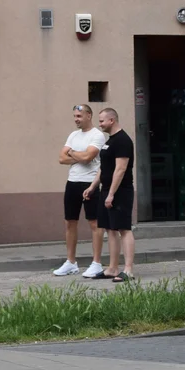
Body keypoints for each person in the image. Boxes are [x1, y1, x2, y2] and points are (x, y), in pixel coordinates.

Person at [83, 108, 136, 283]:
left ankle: (128, 270)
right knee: (110, 229)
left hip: (120, 191)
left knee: (123, 229)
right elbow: (103, 168)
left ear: (112, 120)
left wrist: (112, 194)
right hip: (106, 190)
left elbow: (120, 169)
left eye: (102, 121)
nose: (100, 124)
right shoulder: (109, 141)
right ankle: (113, 268)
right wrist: (92, 187)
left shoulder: (122, 141)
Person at [55, 104, 107, 278]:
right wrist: (78, 155)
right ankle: (71, 262)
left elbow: (88, 157)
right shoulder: (73, 135)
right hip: (72, 183)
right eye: (75, 116)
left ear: (89, 115)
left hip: (89, 183)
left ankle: (96, 263)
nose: (76, 119)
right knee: (70, 222)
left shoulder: (97, 135)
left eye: (79, 116)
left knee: (94, 223)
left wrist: (73, 153)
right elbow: (61, 159)